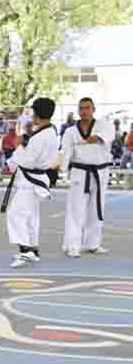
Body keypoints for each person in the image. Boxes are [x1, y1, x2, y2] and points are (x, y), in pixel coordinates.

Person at [3, 97, 60, 268]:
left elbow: (27, 161)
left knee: (16, 213)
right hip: (36, 179)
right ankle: (33, 249)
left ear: (37, 114)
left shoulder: (41, 136)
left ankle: (25, 250)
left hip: (31, 181)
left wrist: (19, 145)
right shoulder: (49, 133)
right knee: (31, 216)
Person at [60, 97, 114, 257]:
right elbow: (66, 152)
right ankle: (72, 245)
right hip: (80, 172)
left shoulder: (104, 125)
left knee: (96, 208)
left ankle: (93, 243)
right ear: (78, 110)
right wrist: (62, 171)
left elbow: (108, 136)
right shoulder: (70, 132)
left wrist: (97, 138)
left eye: (87, 108)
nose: (84, 111)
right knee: (76, 209)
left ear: (93, 109)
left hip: (100, 172)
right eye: (81, 108)